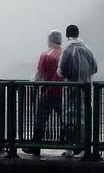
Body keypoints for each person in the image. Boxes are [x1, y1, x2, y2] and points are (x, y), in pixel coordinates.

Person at [57, 24, 99, 158]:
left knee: (69, 117)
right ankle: (85, 148)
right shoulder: (87, 49)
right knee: (83, 117)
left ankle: (70, 148)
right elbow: (95, 68)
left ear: (67, 35)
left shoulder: (67, 50)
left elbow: (62, 70)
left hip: (71, 88)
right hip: (86, 89)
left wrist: (63, 73)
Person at [21, 31, 63, 156]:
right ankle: (70, 145)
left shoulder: (46, 55)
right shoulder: (65, 54)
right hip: (63, 93)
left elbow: (40, 75)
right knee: (65, 120)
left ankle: (36, 146)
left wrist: (34, 92)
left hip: (48, 92)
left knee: (40, 119)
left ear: (50, 40)